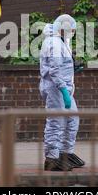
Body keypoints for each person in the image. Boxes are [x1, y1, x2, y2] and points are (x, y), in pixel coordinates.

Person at [39, 14, 85, 171]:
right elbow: (54, 70)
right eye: (71, 29)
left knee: (72, 119)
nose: (72, 32)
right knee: (56, 122)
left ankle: (66, 152)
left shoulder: (61, 41)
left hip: (64, 87)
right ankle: (51, 158)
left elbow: (62, 65)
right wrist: (64, 91)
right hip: (56, 89)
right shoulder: (53, 43)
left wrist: (73, 68)